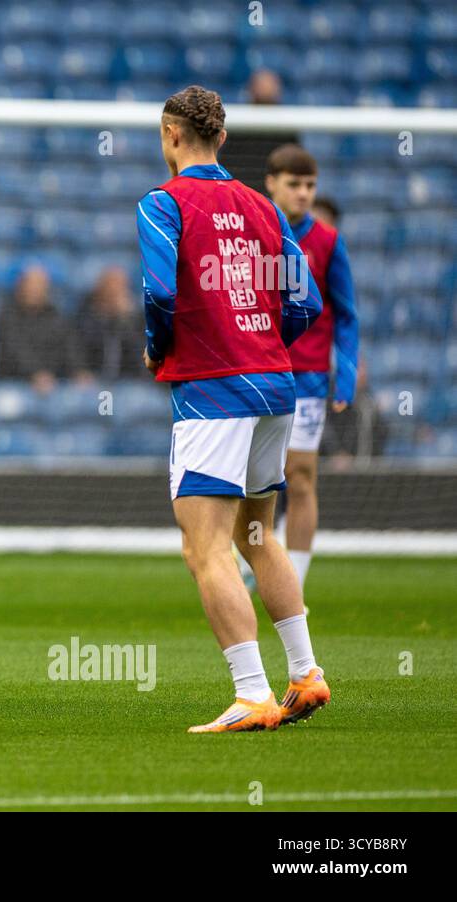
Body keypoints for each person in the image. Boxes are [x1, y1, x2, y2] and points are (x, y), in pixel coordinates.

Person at [138, 85, 326, 733]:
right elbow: (306, 303)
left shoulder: (163, 205)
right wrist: (262, 344)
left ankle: (252, 693)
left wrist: (158, 353)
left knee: (205, 547)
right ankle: (305, 674)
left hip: (214, 391)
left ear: (171, 135)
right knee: (256, 535)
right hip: (276, 386)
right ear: (220, 137)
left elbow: (161, 295)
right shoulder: (261, 206)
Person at [264, 145, 358, 593]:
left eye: (310, 186)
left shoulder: (328, 241)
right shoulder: (252, 234)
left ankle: (292, 584)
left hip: (309, 378)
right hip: (257, 370)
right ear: (272, 183)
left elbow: (346, 312)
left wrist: (349, 369)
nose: (303, 193)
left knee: (300, 475)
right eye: (294, 184)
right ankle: (256, 557)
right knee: (255, 478)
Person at [0, 265, 71, 393]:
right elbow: (14, 349)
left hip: (51, 381)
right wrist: (35, 373)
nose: (34, 290)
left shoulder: (55, 316)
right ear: (21, 287)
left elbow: (67, 346)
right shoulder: (7, 315)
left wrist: (78, 370)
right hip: (14, 382)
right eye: (30, 285)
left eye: (39, 286)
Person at [218, 69, 300, 192]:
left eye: (269, 86)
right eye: (261, 85)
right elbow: (228, 163)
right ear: (251, 90)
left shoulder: (287, 129)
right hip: (243, 192)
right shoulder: (238, 127)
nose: (265, 90)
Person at [71, 266, 144, 382]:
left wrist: (126, 320)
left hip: (127, 380)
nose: (115, 290)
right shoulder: (85, 314)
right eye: (111, 285)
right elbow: (77, 348)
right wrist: (81, 370)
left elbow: (140, 358)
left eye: (121, 286)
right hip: (93, 377)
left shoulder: (136, 318)